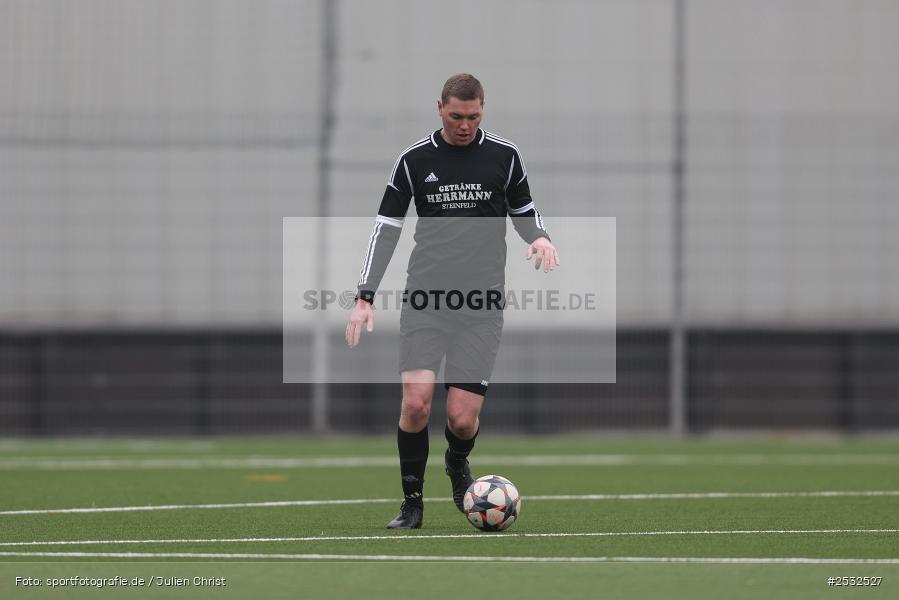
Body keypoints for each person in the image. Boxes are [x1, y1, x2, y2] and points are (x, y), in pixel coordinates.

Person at [345, 73, 559, 529]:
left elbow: (524, 212)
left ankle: (457, 461)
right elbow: (386, 228)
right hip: (426, 299)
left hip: (481, 305)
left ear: (483, 110)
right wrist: (364, 296)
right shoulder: (414, 160)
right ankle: (412, 503)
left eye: (474, 116)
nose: (465, 125)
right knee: (417, 403)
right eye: (457, 116)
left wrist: (539, 238)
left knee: (462, 420)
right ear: (439, 107)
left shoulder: (505, 156)